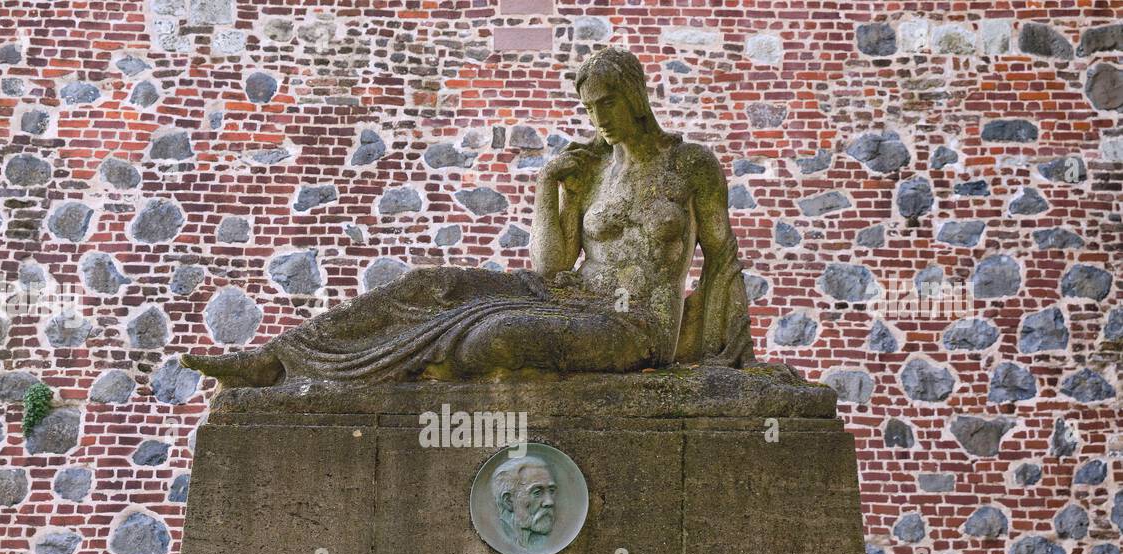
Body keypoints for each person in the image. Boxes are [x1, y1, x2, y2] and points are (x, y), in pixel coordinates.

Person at [183, 46, 787, 389]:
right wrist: (548, 184)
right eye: (589, 107)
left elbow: (722, 257)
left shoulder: (690, 165)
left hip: (635, 322)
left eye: (608, 104)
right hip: (569, 292)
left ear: (634, 98)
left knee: (489, 337)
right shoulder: (591, 167)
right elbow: (551, 263)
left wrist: (722, 354)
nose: (599, 117)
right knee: (432, 283)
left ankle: (373, 372)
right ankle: (282, 358)